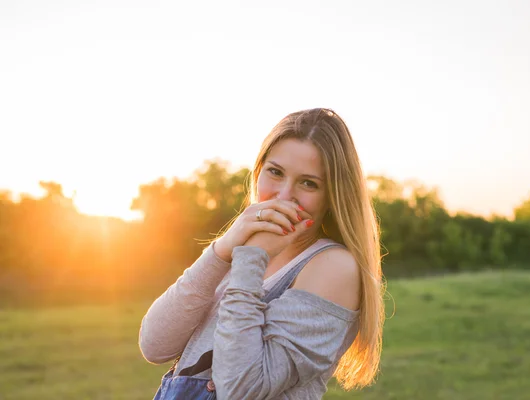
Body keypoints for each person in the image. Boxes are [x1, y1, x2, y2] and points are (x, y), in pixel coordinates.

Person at [139, 107, 385, 399]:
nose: (283, 195)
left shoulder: (333, 265)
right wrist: (222, 250)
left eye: (309, 183)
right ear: (257, 172)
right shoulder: (241, 252)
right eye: (275, 172)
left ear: (333, 195)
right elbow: (155, 345)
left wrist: (250, 259)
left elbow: (241, 389)